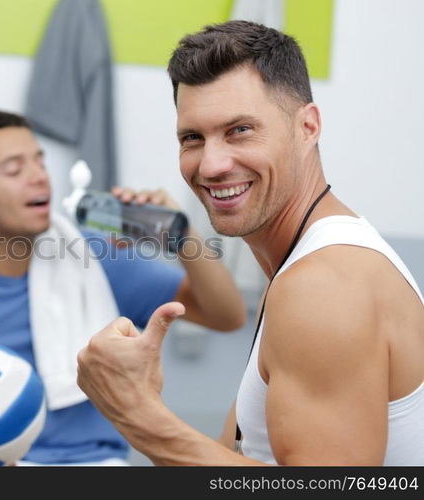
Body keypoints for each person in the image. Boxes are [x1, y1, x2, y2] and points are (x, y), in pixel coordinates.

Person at [76, 20, 424, 465]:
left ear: (308, 126)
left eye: (240, 130)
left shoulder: (323, 286)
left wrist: (137, 415)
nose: (212, 164)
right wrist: (143, 409)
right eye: (193, 138)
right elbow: (234, 459)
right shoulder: (300, 268)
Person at [0, 110, 247, 466]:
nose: (39, 177)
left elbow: (226, 315)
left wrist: (182, 234)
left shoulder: (93, 258)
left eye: (40, 161)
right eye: (15, 169)